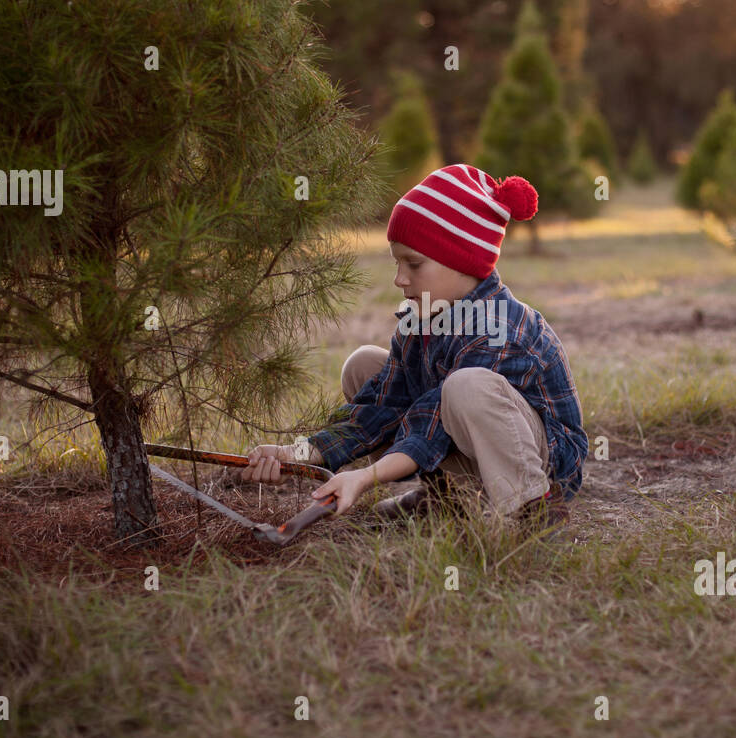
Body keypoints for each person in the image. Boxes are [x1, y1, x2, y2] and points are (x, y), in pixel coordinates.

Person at [240, 163, 587, 530]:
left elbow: (431, 424)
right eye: (397, 262)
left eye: (414, 264)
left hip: (543, 462)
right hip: (471, 445)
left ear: (462, 259)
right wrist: (300, 453)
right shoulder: (421, 316)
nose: (400, 278)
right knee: (363, 366)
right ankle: (446, 498)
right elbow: (382, 405)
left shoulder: (498, 328)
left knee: (466, 386)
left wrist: (367, 476)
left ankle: (534, 513)